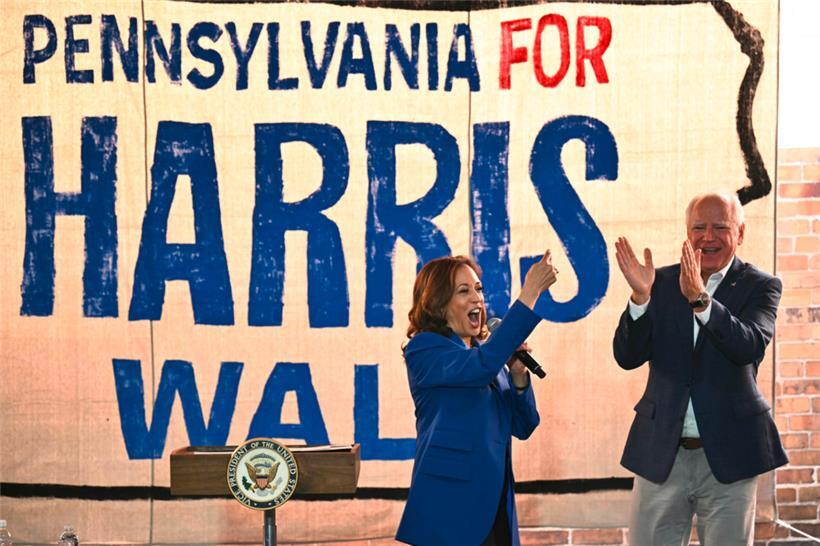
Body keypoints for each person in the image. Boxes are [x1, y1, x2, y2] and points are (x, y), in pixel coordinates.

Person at [613, 191, 788, 546]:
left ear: (740, 233)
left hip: (730, 454)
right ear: (687, 232)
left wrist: (700, 299)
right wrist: (640, 300)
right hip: (662, 450)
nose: (708, 237)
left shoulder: (761, 286)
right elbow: (627, 356)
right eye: (699, 227)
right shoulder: (658, 282)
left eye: (720, 227)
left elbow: (748, 345)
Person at [395, 250, 558, 546]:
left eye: (479, 289)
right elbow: (480, 367)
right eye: (464, 291)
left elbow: (524, 425)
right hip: (450, 507)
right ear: (438, 303)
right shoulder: (425, 349)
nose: (477, 299)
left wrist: (519, 375)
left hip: (494, 505)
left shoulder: (485, 355)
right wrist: (530, 292)